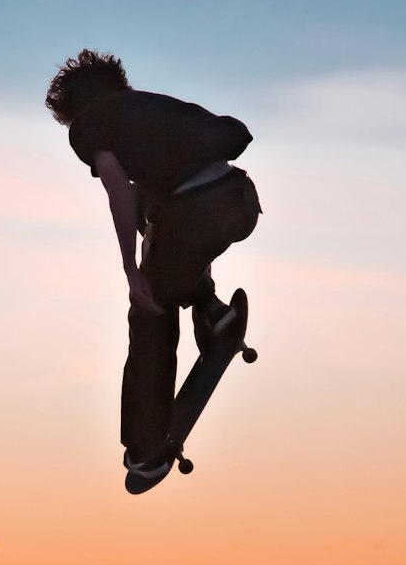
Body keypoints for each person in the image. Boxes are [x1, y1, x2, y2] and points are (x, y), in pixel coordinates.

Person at [46, 49, 262, 493]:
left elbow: (117, 195)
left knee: (149, 311)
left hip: (195, 212)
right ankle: (211, 312)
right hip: (239, 200)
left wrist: (130, 270)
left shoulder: (92, 125)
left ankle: (145, 448)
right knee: (165, 246)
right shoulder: (149, 110)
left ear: (74, 112)